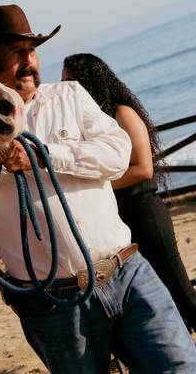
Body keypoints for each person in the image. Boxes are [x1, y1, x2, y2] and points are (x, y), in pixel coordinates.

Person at [0, 4, 196, 373]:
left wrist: (44, 156)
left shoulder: (70, 96)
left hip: (127, 273)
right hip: (53, 305)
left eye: (32, 51)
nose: (30, 62)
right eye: (17, 54)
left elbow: (118, 154)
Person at [62, 52, 196, 330]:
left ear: (87, 82)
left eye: (69, 81)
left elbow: (143, 169)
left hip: (144, 214)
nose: (64, 88)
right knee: (159, 303)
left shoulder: (122, 113)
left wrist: (93, 184)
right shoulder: (90, 125)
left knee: (182, 295)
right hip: (117, 225)